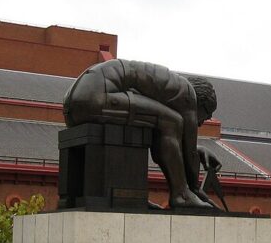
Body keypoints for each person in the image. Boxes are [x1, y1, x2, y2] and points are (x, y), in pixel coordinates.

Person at [63, 59, 219, 209]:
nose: (200, 123)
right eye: (206, 116)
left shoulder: (171, 88)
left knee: (161, 121)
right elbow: (188, 149)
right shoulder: (188, 94)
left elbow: (174, 143)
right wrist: (195, 189)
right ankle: (182, 195)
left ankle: (132, 199)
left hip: (74, 103)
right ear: (202, 104)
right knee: (172, 122)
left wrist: (195, 151)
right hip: (95, 97)